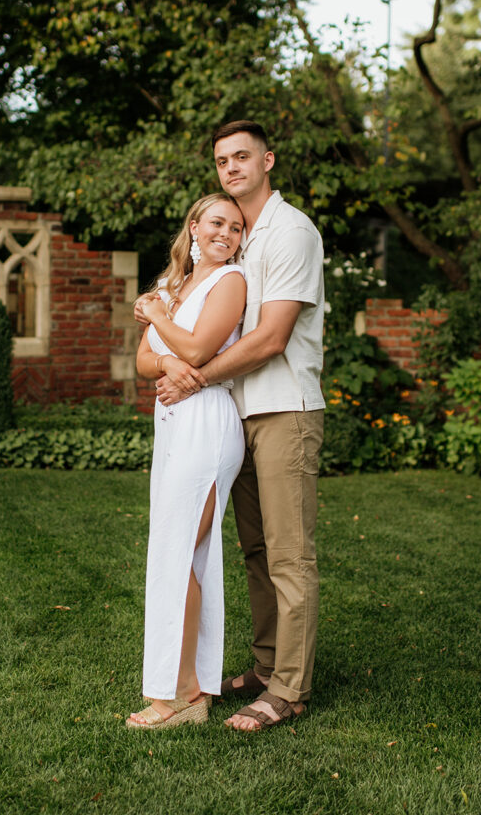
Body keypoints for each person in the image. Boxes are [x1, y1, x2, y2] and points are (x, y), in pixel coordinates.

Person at [152, 120, 325, 732]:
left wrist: (194, 376)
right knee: (255, 549)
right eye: (222, 159)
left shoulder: (292, 232)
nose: (231, 167)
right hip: (240, 412)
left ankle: (290, 690)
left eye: (242, 156)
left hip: (285, 410)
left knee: (288, 554)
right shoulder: (242, 238)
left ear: (268, 160)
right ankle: (267, 665)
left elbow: (273, 338)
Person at [126, 192, 247, 729]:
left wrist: (162, 328)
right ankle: (192, 691)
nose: (226, 233)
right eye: (217, 222)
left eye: (237, 227)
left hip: (207, 425)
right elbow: (141, 361)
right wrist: (171, 359)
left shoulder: (231, 283)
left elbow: (201, 351)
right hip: (172, 426)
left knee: (180, 555)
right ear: (194, 226)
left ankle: (178, 698)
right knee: (180, 557)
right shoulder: (173, 286)